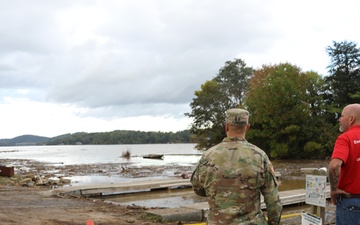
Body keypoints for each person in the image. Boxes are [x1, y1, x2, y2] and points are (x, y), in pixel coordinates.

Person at [190, 108, 282, 225]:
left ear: (226, 126)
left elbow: (198, 189)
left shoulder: (208, 156)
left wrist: (219, 192)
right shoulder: (259, 156)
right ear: (247, 127)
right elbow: (273, 200)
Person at [329, 103, 360, 224]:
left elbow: (334, 166)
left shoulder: (345, 138)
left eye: (342, 116)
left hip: (351, 203)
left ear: (351, 119)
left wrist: (334, 189)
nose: (339, 119)